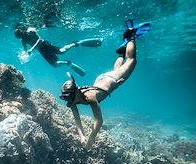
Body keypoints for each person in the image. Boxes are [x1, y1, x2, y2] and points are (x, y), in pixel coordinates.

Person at [60, 20, 150, 149]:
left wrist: (91, 138)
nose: (69, 102)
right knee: (117, 69)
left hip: (111, 80)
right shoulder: (73, 99)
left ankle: (130, 36)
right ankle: (121, 53)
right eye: (66, 98)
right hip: (102, 80)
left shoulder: (90, 97)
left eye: (69, 98)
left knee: (132, 60)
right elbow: (77, 119)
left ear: (77, 92)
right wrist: (81, 136)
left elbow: (99, 120)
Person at [14, 25, 102, 77]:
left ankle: (76, 43)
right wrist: (23, 55)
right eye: (20, 37)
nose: (21, 37)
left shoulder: (31, 31)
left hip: (45, 44)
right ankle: (68, 63)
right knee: (55, 65)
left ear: (21, 31)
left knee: (61, 51)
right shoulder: (23, 40)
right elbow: (25, 49)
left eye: (20, 35)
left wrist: (31, 49)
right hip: (42, 51)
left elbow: (39, 40)